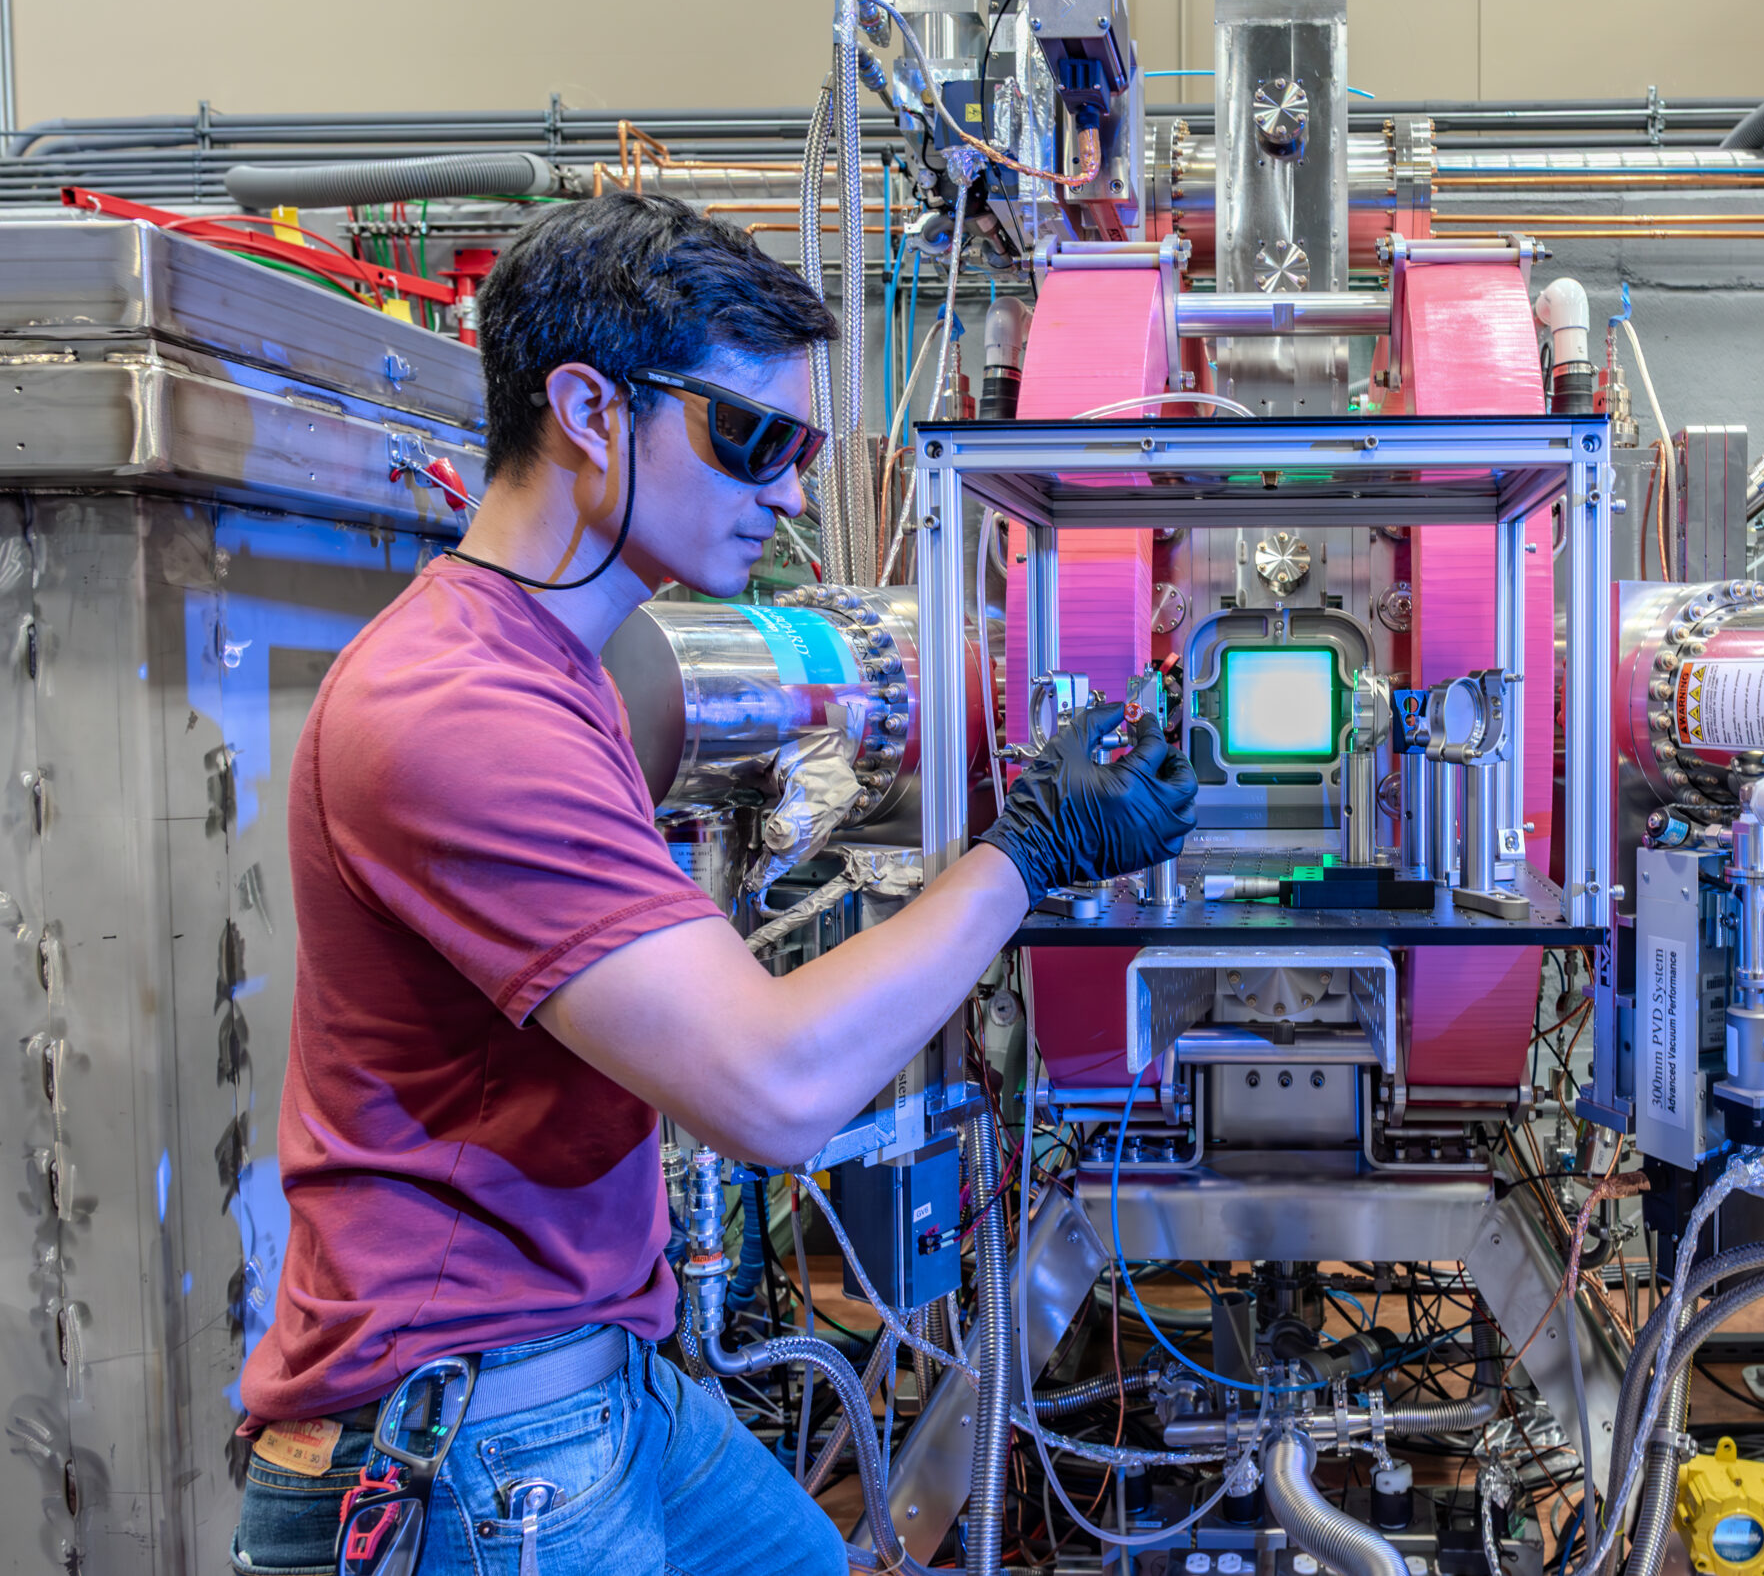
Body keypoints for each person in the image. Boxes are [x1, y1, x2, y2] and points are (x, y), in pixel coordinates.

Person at [231, 190, 1196, 1575]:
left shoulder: (557, 675)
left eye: (803, 449)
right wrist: (1026, 852)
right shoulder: (457, 709)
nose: (792, 491)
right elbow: (772, 1091)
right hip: (467, 1449)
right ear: (588, 407)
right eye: (752, 438)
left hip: (600, 1381)